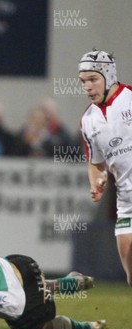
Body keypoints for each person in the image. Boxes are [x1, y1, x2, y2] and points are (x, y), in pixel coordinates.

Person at [79, 49, 132, 286]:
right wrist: (97, 181)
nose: (87, 87)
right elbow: (96, 162)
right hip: (126, 204)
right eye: (83, 81)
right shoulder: (88, 120)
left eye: (93, 79)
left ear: (109, 76)